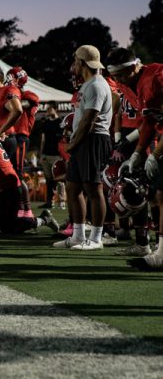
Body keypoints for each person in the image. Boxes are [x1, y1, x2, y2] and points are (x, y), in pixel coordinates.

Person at [54, 45, 113, 251]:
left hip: (93, 139)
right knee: (72, 187)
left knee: (93, 188)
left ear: (82, 63)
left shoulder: (96, 85)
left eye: (75, 60)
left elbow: (89, 120)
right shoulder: (88, 84)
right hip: (85, 140)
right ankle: (78, 235)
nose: (73, 65)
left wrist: (73, 143)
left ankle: (96, 238)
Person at [108, 50, 163, 267]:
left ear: (133, 68)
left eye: (120, 75)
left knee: (161, 194)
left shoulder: (155, 79)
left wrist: (154, 155)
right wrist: (139, 153)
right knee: (158, 194)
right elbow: (150, 121)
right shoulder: (134, 83)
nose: (118, 81)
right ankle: (160, 251)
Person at [37, 102, 64, 209]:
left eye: (50, 109)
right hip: (46, 155)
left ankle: (61, 201)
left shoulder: (61, 122)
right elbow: (43, 140)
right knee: (49, 180)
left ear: (55, 109)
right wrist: (41, 154)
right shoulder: (45, 123)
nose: (48, 111)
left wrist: (63, 155)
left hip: (57, 155)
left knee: (59, 179)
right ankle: (49, 201)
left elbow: (63, 140)